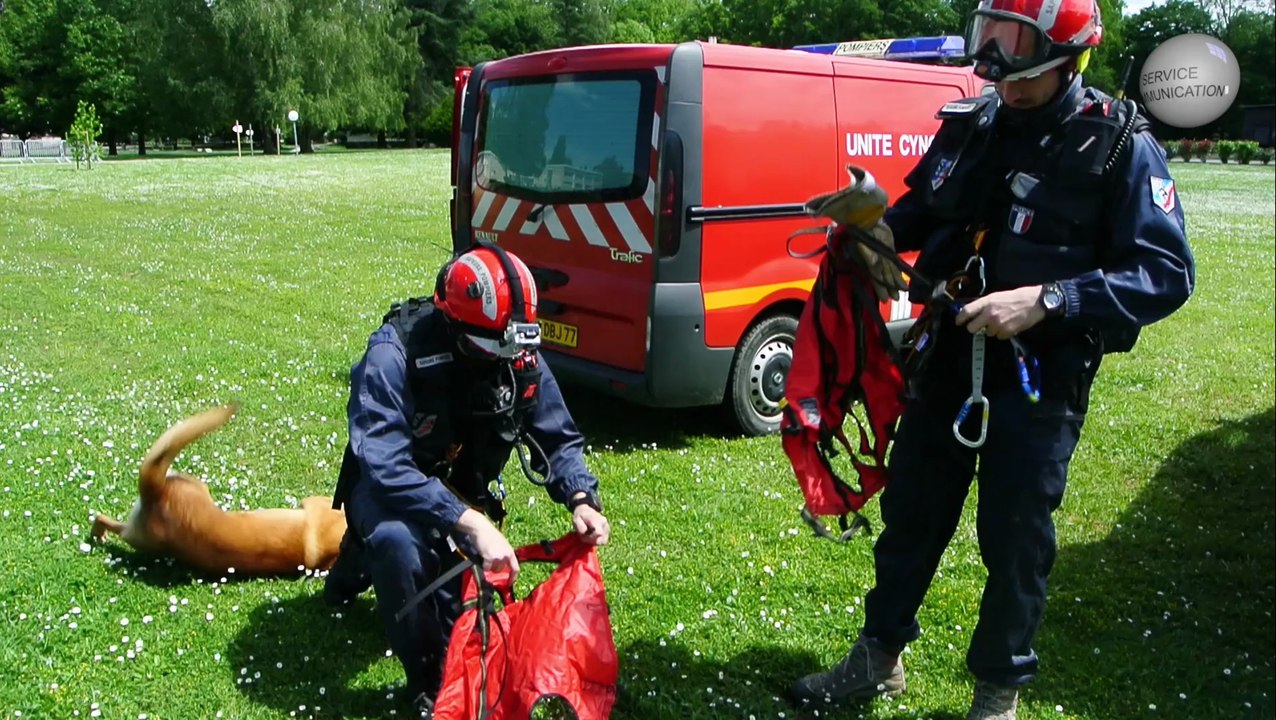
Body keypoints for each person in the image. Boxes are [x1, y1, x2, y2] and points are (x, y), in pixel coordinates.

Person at [790, 0, 1195, 717]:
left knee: (1015, 543)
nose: (1005, 78)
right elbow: (916, 217)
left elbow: (1165, 273)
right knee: (911, 517)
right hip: (945, 360)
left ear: (1070, 59)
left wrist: (1048, 300)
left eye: (1022, 62)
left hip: (1038, 383)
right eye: (994, 46)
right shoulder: (971, 127)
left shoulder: (1118, 145)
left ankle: (996, 696)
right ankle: (878, 659)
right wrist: (870, 215)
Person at [324, 243, 611, 718]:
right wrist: (467, 522)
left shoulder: (515, 353)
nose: (508, 358)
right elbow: (384, 466)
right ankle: (429, 685)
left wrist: (580, 496)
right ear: (453, 323)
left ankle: (370, 565)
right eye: (494, 348)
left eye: (516, 347)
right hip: (390, 492)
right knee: (398, 543)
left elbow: (558, 435)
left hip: (464, 492)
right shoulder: (393, 355)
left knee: (454, 607)